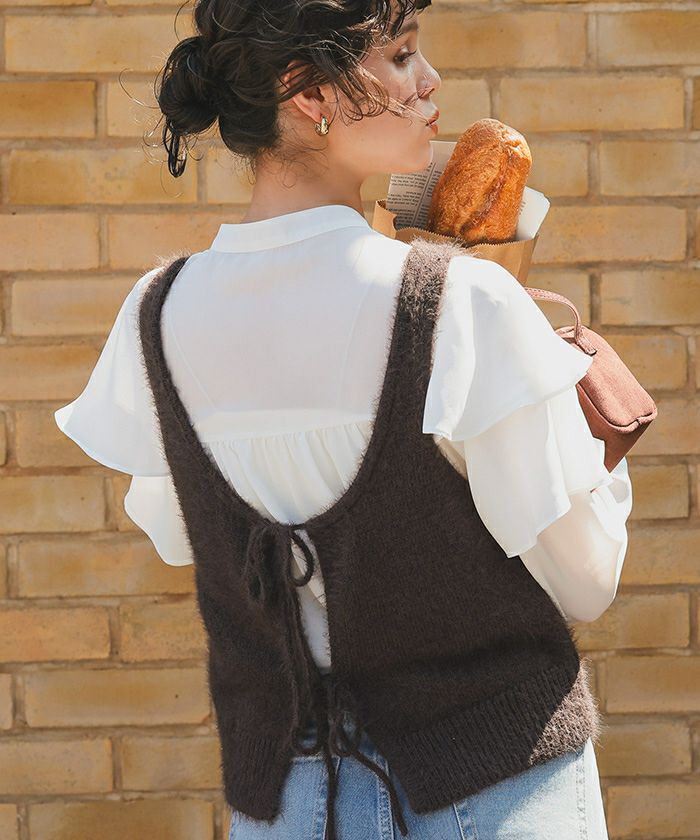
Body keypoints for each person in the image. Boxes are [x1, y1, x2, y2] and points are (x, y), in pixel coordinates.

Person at [55, 1, 632, 838]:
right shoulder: (460, 299)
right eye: (400, 56)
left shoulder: (156, 314)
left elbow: (189, 541)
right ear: (309, 93)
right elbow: (587, 581)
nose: (430, 81)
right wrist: (577, 417)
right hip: (496, 785)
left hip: (290, 799)